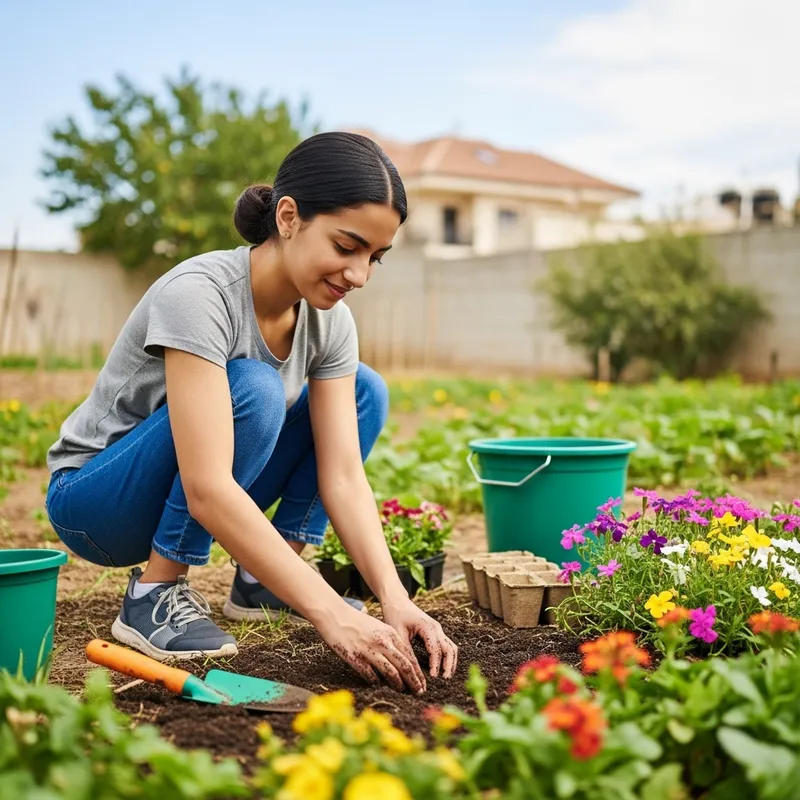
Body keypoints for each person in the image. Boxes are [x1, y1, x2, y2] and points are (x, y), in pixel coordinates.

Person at [44, 131, 457, 694]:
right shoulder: (200, 294)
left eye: (374, 258)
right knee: (255, 387)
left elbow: (341, 476)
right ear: (288, 217)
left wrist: (394, 599)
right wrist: (331, 613)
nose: (359, 274)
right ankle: (154, 594)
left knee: (364, 391)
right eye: (346, 246)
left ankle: (266, 579)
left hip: (192, 489)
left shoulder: (329, 321)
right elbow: (208, 487)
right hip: (96, 502)